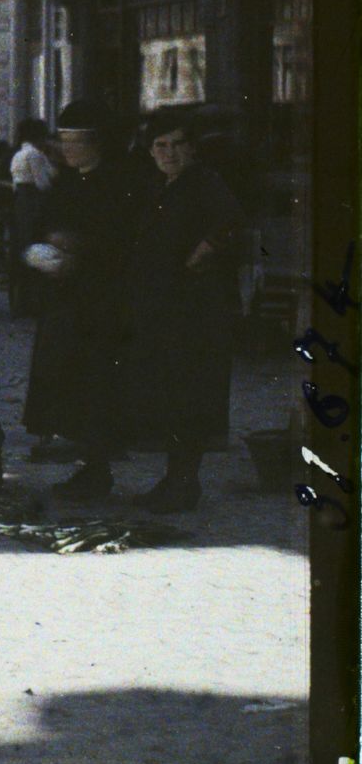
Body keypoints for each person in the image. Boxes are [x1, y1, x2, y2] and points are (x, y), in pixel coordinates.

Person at [123, 111, 243, 512]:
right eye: (160, 145)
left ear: (192, 148)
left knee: (190, 396)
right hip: (166, 307)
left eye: (177, 144)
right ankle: (175, 480)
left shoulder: (204, 182)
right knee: (173, 396)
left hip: (196, 309)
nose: (169, 153)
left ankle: (184, 483)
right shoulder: (162, 186)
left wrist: (195, 261)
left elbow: (228, 225)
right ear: (150, 150)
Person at [24, 101, 142, 498]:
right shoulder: (67, 180)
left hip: (103, 300)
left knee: (97, 385)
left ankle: (97, 465)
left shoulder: (120, 183)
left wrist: (80, 248)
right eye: (63, 141)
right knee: (69, 383)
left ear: (97, 143)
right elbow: (43, 223)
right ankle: (89, 463)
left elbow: (123, 239)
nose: (66, 149)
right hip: (66, 298)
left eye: (75, 142)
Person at [9, 118, 59, 321]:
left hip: (20, 204)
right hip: (35, 204)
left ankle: (21, 301)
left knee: (23, 246)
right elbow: (43, 184)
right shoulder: (35, 155)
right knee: (36, 245)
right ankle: (33, 301)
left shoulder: (19, 154)